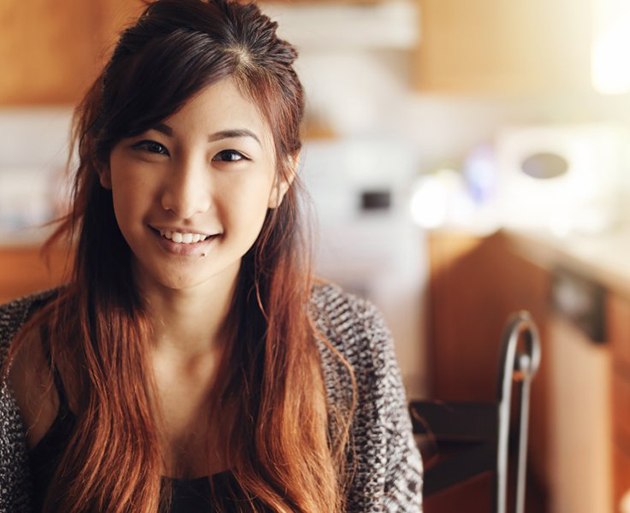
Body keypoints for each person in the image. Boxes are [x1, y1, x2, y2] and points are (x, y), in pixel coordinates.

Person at [0, 0, 422, 511]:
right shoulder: (16, 356)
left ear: (280, 177)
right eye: (153, 147)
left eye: (230, 156)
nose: (184, 199)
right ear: (102, 159)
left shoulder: (351, 349)